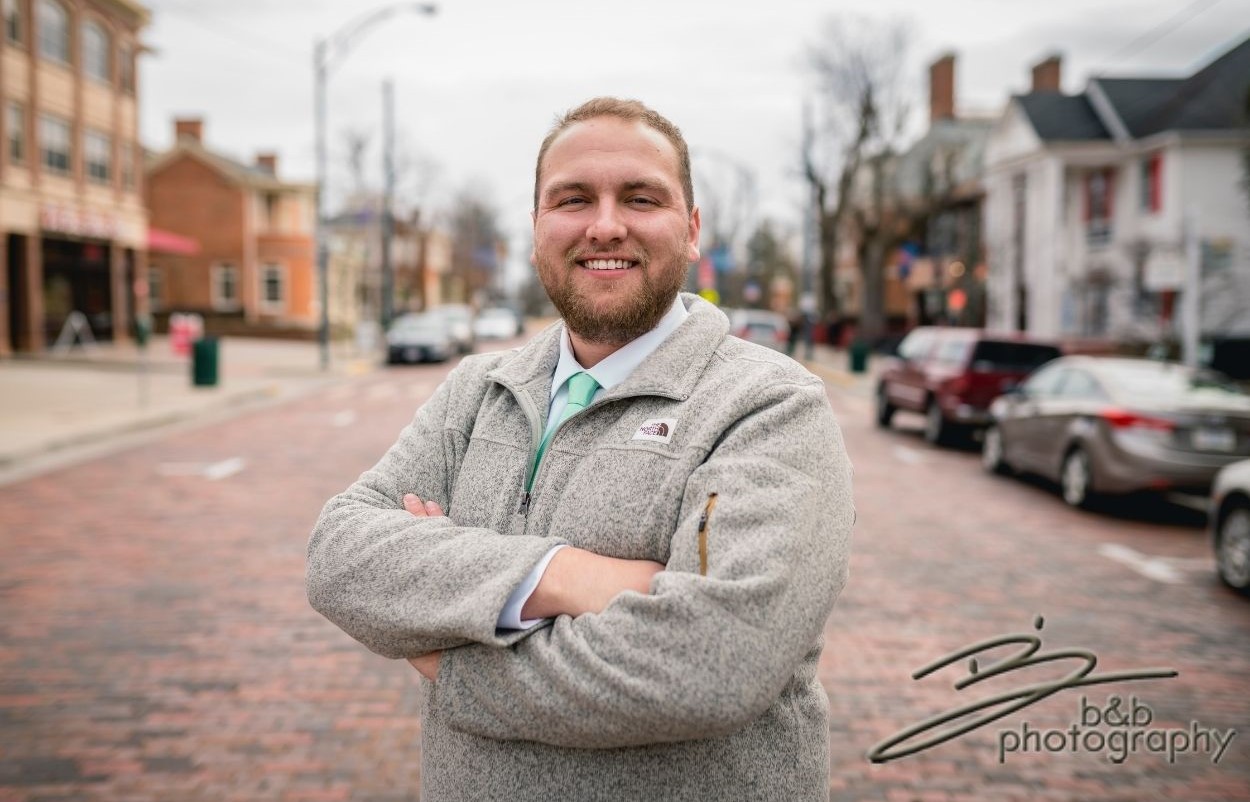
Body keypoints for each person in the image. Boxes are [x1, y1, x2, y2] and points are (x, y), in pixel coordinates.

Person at [306, 97, 854, 801]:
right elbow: (338, 556)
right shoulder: (479, 388)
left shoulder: (771, 405)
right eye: (572, 199)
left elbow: (712, 665)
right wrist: (566, 575)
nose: (604, 225)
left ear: (690, 232)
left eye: (640, 197)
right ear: (536, 229)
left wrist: (450, 656)